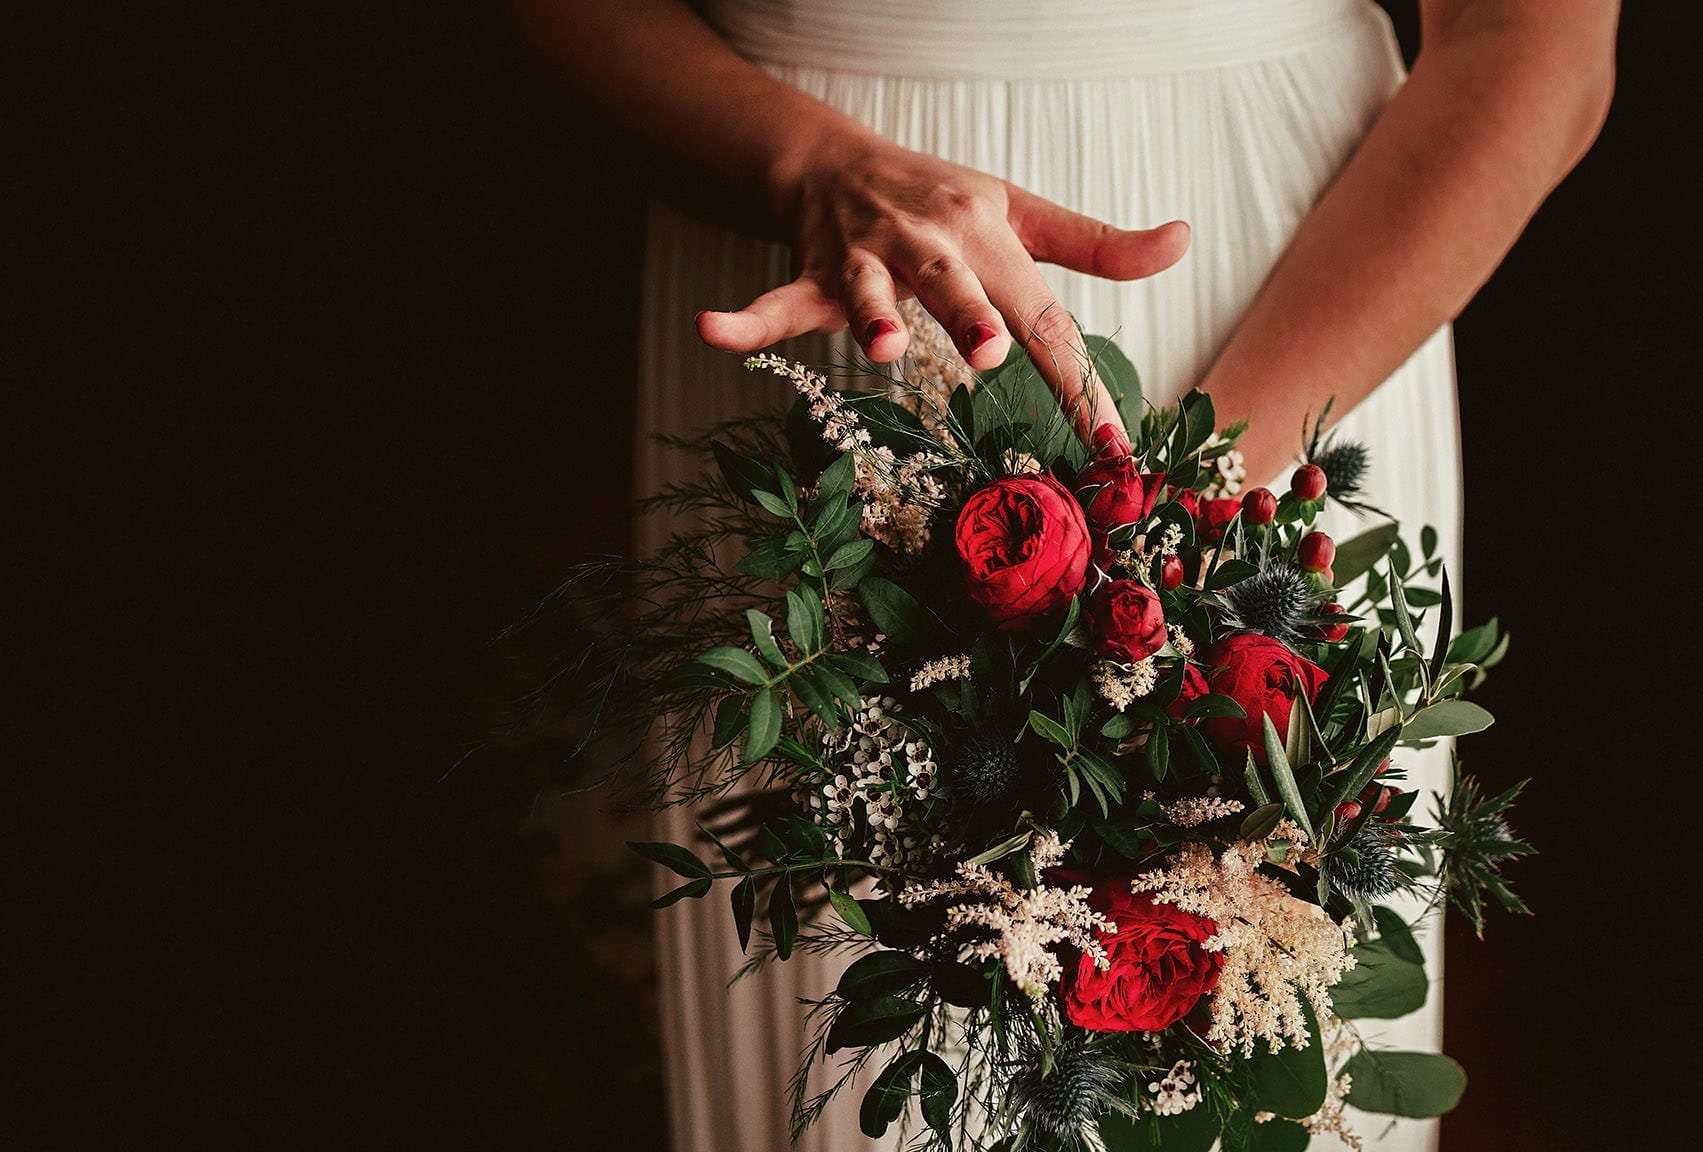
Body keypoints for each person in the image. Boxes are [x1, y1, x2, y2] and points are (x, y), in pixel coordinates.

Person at [506, 2, 1616, 1149]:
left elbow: (1534, 41)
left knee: (1265, 1031)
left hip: (1298, 275)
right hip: (822, 258)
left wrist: (1183, 514)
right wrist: (803, 164)